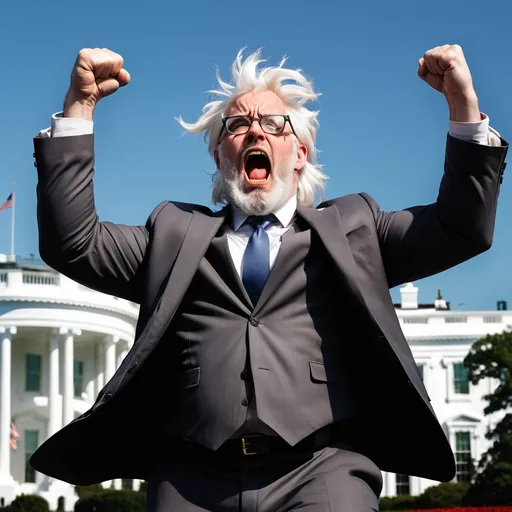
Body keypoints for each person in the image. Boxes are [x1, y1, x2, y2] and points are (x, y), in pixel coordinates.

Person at [31, 45, 507, 511]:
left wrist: (463, 109)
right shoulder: (173, 236)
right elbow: (73, 243)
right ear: (221, 157)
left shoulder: (352, 229)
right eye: (237, 125)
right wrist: (80, 108)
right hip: (192, 476)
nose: (254, 130)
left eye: (273, 124)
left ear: (298, 153)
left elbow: (459, 229)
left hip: (321, 471)